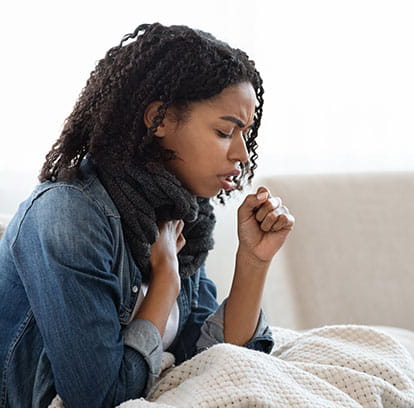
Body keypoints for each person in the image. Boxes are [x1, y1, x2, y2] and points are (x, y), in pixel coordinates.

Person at [0, 23, 294, 407]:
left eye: (246, 135)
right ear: (161, 119)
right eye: (225, 132)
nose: (241, 153)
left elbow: (213, 358)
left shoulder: (179, 214)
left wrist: (253, 261)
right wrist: (165, 281)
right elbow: (97, 398)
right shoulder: (68, 217)